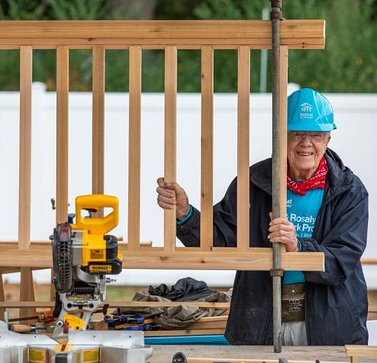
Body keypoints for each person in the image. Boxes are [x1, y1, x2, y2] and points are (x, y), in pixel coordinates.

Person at [156, 88, 368, 345]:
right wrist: (185, 214)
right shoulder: (254, 182)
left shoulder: (348, 190)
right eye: (297, 133)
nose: (306, 143)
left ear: (327, 139)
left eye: (315, 134)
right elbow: (221, 239)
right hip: (262, 321)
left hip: (329, 326)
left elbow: (342, 259)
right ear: (281, 136)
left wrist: (297, 248)